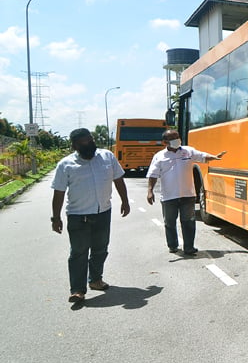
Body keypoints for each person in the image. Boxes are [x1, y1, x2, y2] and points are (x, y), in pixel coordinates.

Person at [51, 128, 130, 303]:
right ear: (74, 145)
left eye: (90, 140)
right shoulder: (65, 164)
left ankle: (95, 280)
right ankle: (78, 290)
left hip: (103, 212)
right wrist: (55, 217)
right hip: (77, 216)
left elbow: (118, 179)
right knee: (79, 252)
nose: (88, 144)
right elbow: (59, 192)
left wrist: (125, 201)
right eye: (83, 142)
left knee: (100, 249)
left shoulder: (107, 157)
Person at [146, 129, 225, 256]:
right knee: (170, 222)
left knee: (188, 222)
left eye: (177, 137)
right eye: (173, 138)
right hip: (169, 196)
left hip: (188, 195)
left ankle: (189, 247)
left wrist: (214, 157)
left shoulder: (188, 151)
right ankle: (173, 245)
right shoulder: (159, 156)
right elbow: (153, 175)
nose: (177, 140)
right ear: (165, 142)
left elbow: (202, 156)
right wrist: (150, 191)